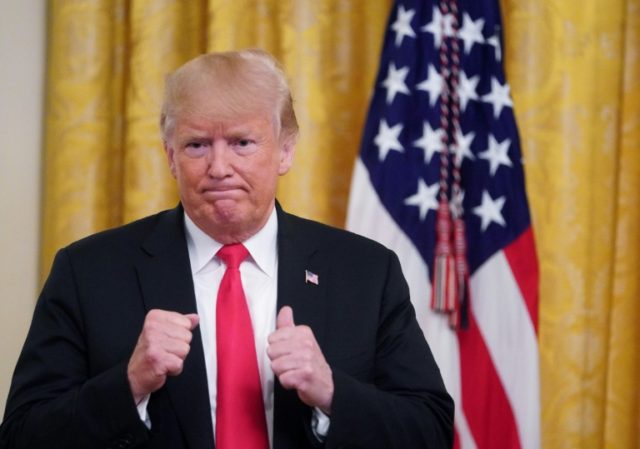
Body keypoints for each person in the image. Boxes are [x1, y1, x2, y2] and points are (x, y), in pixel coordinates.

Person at [0, 49, 453, 449]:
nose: (219, 167)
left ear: (285, 152)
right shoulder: (88, 271)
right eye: (197, 145)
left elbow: (430, 429)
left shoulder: (366, 271)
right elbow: (22, 434)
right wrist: (129, 384)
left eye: (242, 143)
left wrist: (332, 392)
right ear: (170, 157)